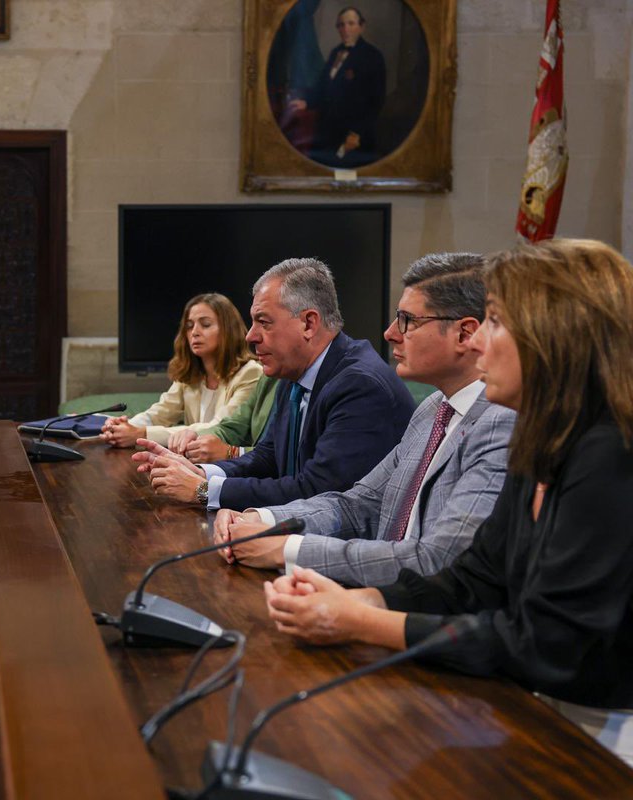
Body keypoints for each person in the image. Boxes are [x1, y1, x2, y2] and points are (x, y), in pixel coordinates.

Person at [263, 239, 633, 765]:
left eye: (496, 322)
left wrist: (359, 621)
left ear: (556, 337)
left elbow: (546, 642)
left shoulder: (610, 453)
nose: (479, 342)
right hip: (537, 707)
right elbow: (474, 579)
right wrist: (362, 600)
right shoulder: (544, 439)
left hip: (602, 736)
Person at [214, 253, 515, 586]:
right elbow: (358, 505)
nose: (389, 333)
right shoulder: (433, 409)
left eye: (407, 320)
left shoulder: (501, 423)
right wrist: (262, 519)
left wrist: (287, 548)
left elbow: (436, 559)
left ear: (464, 334)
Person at [133, 258, 413, 511]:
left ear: (309, 323)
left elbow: (317, 492)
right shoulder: (292, 371)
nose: (250, 337)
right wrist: (202, 472)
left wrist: (204, 491)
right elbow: (269, 457)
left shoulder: (360, 385)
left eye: (263, 322)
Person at [101, 293, 263, 450]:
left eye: (205, 324)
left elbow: (220, 427)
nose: (194, 332)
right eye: (189, 326)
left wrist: (141, 434)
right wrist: (123, 427)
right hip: (191, 461)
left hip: (229, 467)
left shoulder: (250, 373)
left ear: (229, 330)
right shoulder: (190, 374)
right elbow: (160, 413)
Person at [288, 6, 386, 167]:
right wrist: (306, 102)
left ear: (361, 27)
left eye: (351, 23)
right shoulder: (336, 52)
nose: (345, 29)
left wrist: (356, 133)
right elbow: (323, 86)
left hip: (353, 136)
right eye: (341, 25)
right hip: (327, 129)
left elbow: (376, 101)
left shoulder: (373, 56)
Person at [170, 376, 279, 463]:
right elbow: (232, 427)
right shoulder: (269, 378)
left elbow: (280, 458)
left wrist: (233, 453)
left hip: (266, 484)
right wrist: (197, 436)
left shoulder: (252, 371)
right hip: (244, 477)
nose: (254, 346)